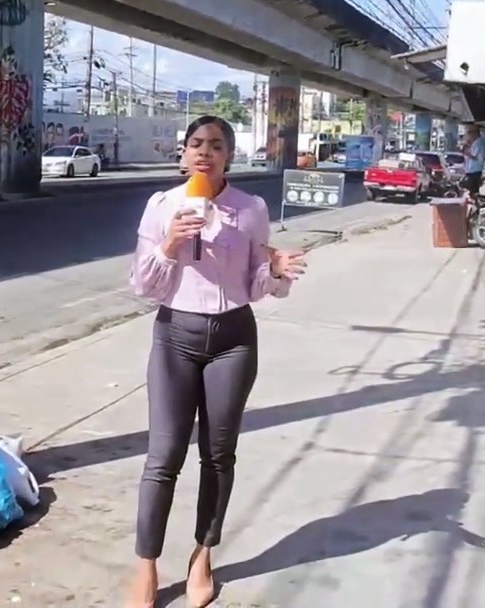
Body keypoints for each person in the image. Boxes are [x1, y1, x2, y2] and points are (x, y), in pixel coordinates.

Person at [125, 115, 307, 608]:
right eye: (196, 144)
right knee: (163, 457)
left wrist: (275, 269)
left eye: (216, 145)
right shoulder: (162, 205)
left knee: (218, 454)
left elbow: (256, 284)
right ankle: (146, 566)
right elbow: (143, 285)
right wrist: (170, 243)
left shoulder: (251, 209)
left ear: (230, 155)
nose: (205, 152)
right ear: (184, 154)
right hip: (175, 337)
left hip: (233, 339)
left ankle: (203, 554)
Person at [462, 125, 485, 198]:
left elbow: (474, 156)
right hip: (472, 169)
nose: (467, 135)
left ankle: (474, 202)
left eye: (469, 132)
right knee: (472, 190)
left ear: (474, 133)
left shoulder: (478, 143)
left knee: (473, 190)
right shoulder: (475, 143)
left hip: (474, 169)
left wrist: (465, 152)